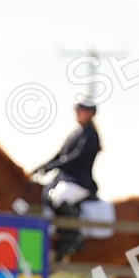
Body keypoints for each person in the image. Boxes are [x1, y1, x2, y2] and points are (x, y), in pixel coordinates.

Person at [32, 99, 101, 259]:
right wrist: (44, 166)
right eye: (76, 110)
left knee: (60, 197)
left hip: (80, 182)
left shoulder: (90, 135)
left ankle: (75, 234)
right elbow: (60, 154)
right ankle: (59, 232)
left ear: (89, 113)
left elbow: (77, 158)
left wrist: (54, 166)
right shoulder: (75, 133)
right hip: (65, 179)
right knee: (46, 193)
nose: (77, 113)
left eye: (80, 110)